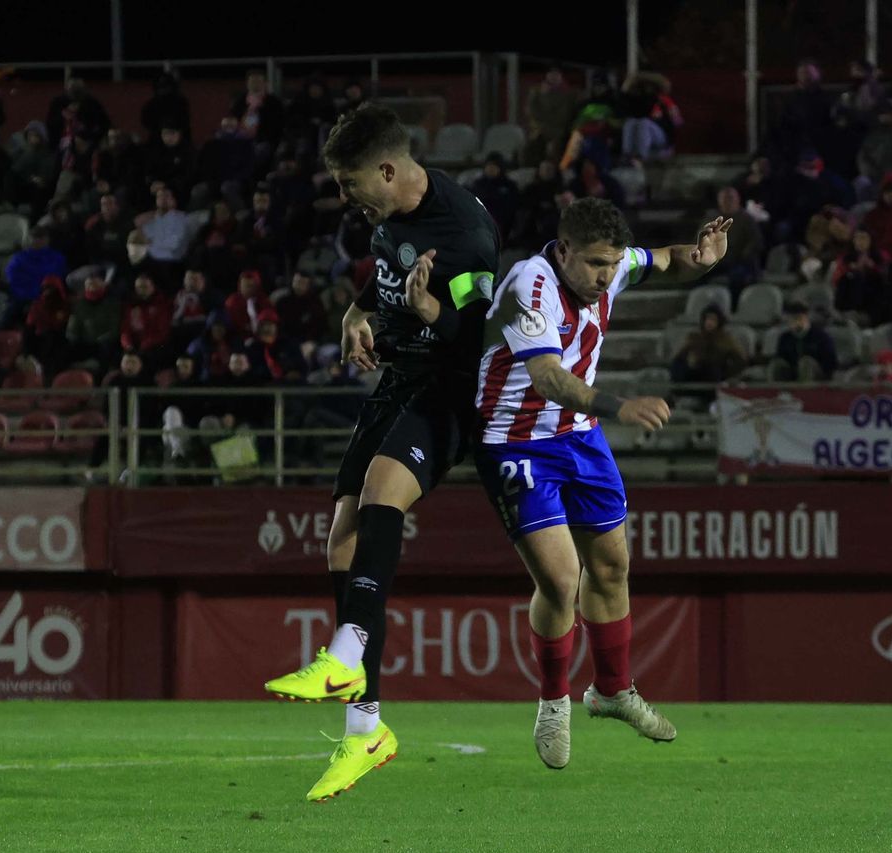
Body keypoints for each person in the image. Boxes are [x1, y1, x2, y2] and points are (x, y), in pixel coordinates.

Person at [261, 105, 501, 802]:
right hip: (399, 380)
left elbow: (476, 336)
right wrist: (359, 310)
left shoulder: (465, 234)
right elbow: (389, 276)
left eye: (350, 182)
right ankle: (365, 729)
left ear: (388, 170)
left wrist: (431, 315)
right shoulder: (393, 216)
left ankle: (344, 652)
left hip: (449, 392)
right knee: (339, 543)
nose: (346, 196)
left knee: (381, 492)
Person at [474, 199, 729, 769]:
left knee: (612, 567)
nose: (604, 277)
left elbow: (662, 259)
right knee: (563, 581)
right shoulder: (529, 286)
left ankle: (611, 691)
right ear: (562, 251)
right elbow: (549, 379)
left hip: (580, 439)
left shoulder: (610, 267)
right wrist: (620, 404)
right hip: (515, 440)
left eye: (611, 264)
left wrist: (701, 259)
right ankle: (552, 701)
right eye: (593, 264)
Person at [669, 306, 747, 388]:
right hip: (695, 373)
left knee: (712, 370)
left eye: (713, 320)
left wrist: (726, 373)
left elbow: (740, 360)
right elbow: (680, 356)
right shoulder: (695, 337)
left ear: (719, 322)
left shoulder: (726, 340)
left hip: (714, 376)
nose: (709, 322)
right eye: (707, 319)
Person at [771, 299, 839, 380]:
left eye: (799, 318)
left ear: (807, 317)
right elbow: (781, 358)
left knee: (806, 363)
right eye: (792, 318)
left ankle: (805, 391)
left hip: (817, 376)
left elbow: (830, 363)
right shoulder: (785, 338)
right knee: (777, 364)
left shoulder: (821, 337)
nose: (796, 321)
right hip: (792, 374)